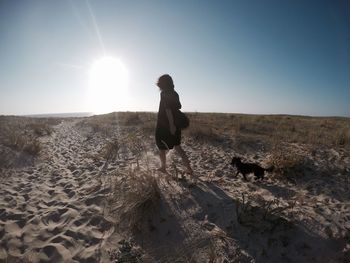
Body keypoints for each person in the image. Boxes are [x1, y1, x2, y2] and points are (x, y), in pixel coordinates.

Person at [155, 74, 193, 175]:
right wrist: (174, 124)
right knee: (178, 147)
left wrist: (171, 125)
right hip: (175, 123)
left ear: (162, 83)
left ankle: (163, 167)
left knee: (161, 147)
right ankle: (189, 169)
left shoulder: (164, 93)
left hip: (164, 124)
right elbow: (178, 107)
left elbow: (168, 110)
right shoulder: (175, 93)